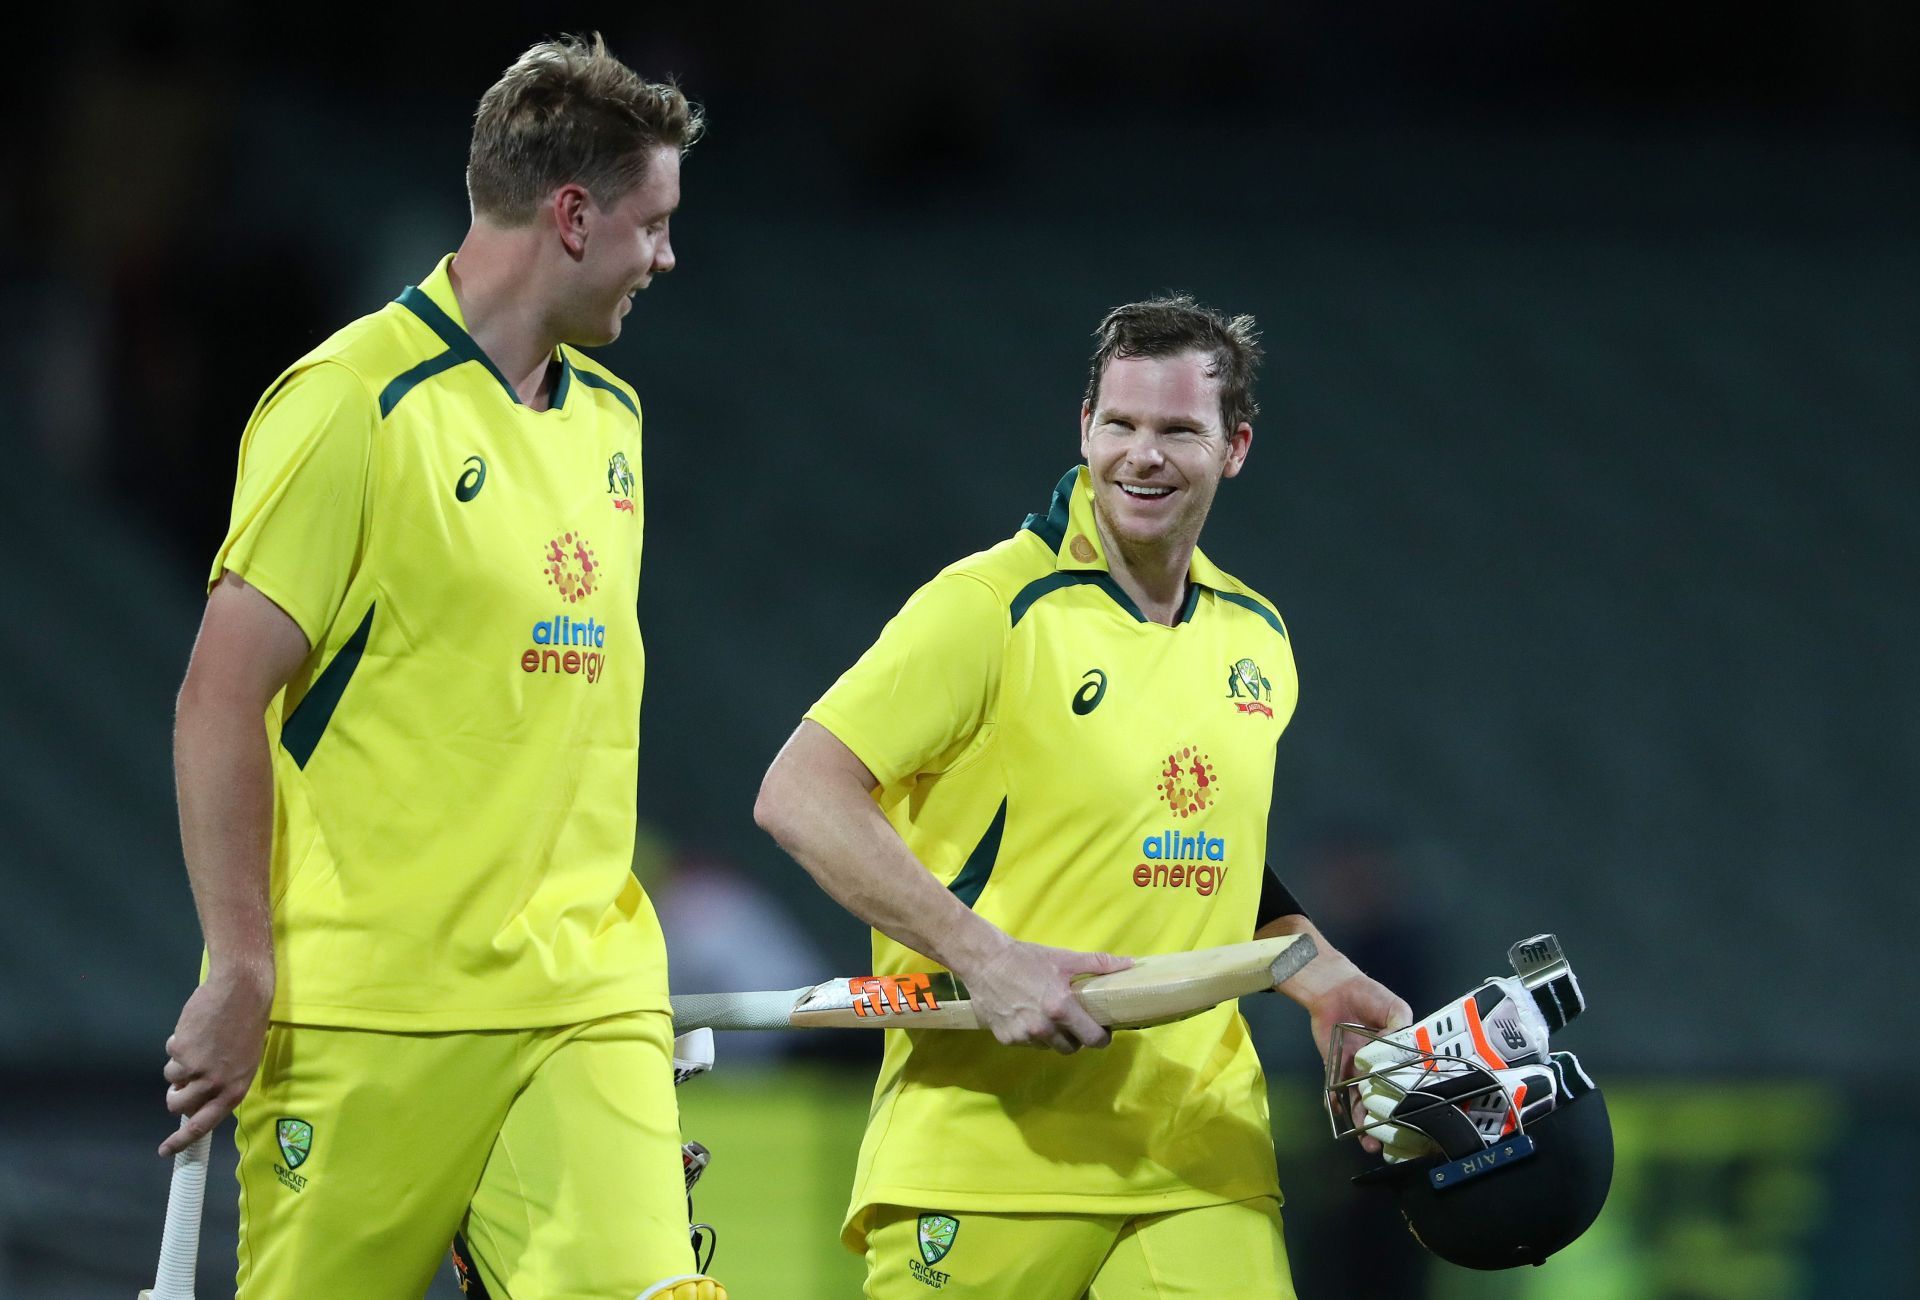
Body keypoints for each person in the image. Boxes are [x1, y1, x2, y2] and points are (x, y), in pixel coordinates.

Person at [159, 35, 723, 1300]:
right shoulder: (349, 404)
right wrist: (240, 965)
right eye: (654, 224)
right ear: (573, 217)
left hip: (585, 993)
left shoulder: (615, 423)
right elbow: (219, 695)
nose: (667, 257)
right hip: (370, 1010)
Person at [754, 295, 1412, 1298]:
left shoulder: (1259, 637)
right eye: (1122, 425)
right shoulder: (988, 607)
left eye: (1178, 431)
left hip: (1201, 1157)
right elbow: (799, 794)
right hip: (991, 1154)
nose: (1143, 456)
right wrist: (987, 957)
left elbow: (1207, 853)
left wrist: (1312, 969)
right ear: (1084, 428)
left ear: (1235, 446)